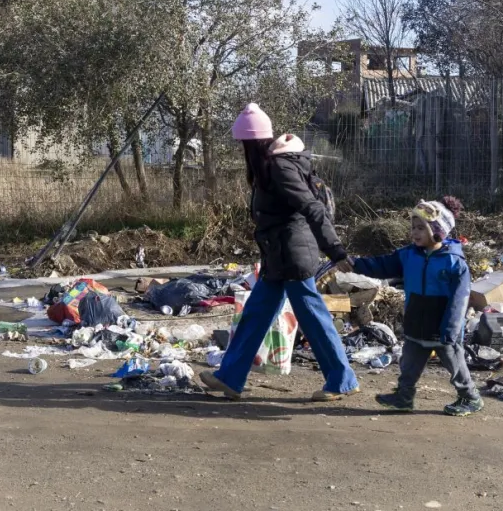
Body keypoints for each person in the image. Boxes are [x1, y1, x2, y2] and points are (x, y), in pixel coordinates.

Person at [200, 103, 360, 402]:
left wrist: (336, 251)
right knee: (255, 315)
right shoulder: (272, 166)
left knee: (313, 318)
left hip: (294, 256)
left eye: (244, 145)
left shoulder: (280, 168)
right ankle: (230, 378)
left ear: (254, 144)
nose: (243, 151)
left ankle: (343, 380)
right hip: (278, 255)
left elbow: (312, 208)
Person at [337, 197, 482, 416]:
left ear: (438, 231)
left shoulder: (454, 262)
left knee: (455, 364)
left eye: (421, 228)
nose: (415, 232)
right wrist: (356, 264)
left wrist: (451, 328)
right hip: (416, 321)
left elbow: (459, 299)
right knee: (410, 363)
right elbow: (382, 265)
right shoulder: (408, 255)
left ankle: (470, 396)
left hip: (442, 327)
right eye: (413, 227)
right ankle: (404, 396)